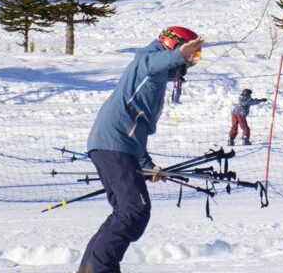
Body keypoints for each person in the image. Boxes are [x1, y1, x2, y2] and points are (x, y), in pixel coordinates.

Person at [77, 26, 204, 273]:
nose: (191, 63)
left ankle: (89, 268)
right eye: (192, 56)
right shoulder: (148, 59)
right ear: (173, 44)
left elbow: (137, 129)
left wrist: (146, 165)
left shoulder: (153, 79)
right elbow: (154, 62)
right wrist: (179, 55)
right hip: (114, 143)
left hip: (116, 144)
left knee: (125, 210)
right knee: (135, 209)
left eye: (195, 57)